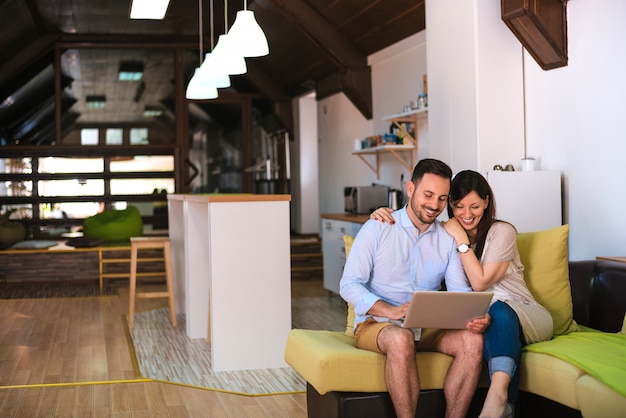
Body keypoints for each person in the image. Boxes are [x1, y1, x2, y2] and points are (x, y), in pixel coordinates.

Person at [371, 169, 553, 418]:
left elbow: (480, 284)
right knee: (484, 321)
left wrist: (460, 239)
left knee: (497, 309)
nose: (467, 215)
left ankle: (497, 398)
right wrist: (383, 213)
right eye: (459, 207)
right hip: (484, 316)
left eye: (475, 206)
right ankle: (504, 407)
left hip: (524, 313)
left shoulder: (502, 232)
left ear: (486, 202)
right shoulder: (443, 234)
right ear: (450, 206)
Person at [340, 159, 490, 418]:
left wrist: (475, 315)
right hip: (378, 325)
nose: (434, 205)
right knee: (401, 338)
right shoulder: (378, 227)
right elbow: (348, 284)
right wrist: (390, 310)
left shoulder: (447, 238)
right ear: (410, 189)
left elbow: (460, 292)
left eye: (442, 199)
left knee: (472, 340)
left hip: (426, 327)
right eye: (428, 195)